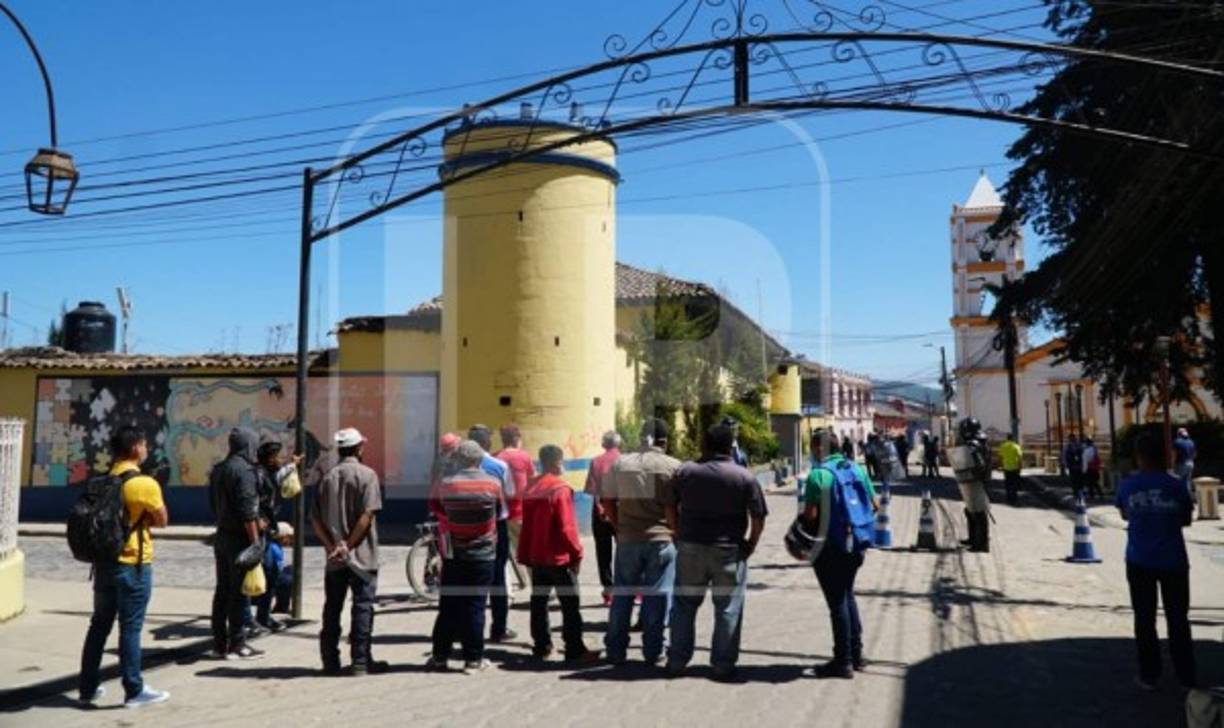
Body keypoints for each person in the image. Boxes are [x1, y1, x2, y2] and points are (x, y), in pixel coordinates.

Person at [77, 426, 171, 709]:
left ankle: (88, 687)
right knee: (130, 627)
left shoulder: (102, 481)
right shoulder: (144, 483)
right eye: (143, 444)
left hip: (104, 564)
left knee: (98, 626)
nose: (146, 448)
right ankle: (134, 689)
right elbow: (162, 519)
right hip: (133, 563)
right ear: (134, 448)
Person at [666, 424, 768, 680]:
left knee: (683, 605)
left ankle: (677, 661)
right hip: (729, 550)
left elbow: (669, 505)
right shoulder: (744, 477)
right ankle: (722, 665)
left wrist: (677, 532)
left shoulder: (686, 472)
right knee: (728, 608)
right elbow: (758, 516)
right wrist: (751, 544)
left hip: (690, 547)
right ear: (730, 446)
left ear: (704, 445)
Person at [1115, 432, 1197, 690]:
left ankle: (1149, 674)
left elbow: (1125, 514)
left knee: (1144, 619)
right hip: (1173, 559)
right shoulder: (1176, 484)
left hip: (1139, 560)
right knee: (1178, 619)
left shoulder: (1128, 485)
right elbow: (1186, 518)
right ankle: (1185, 676)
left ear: (1139, 458)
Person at [603, 418, 681, 666]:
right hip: (660, 539)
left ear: (641, 438)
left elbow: (606, 501)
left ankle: (616, 650)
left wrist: (618, 526)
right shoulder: (673, 467)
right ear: (665, 441)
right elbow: (672, 507)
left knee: (622, 596)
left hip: (627, 539)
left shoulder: (620, 464)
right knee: (657, 598)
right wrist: (675, 531)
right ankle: (654, 650)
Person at [803, 430, 878, 679]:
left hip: (830, 547)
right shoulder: (857, 470)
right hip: (856, 544)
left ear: (818, 449)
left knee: (837, 602)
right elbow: (875, 504)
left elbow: (811, 516)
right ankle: (856, 655)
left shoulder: (818, 475)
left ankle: (843, 661)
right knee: (848, 596)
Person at [311, 427, 386, 676]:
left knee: (333, 607)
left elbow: (315, 519)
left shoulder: (327, 477)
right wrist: (348, 545)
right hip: (362, 556)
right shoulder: (367, 476)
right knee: (362, 606)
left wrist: (332, 547)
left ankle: (329, 661)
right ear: (358, 448)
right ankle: (360, 661)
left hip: (335, 560)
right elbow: (367, 516)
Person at [427, 440, 505, 673]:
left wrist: (453, 518)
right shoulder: (493, 483)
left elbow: (435, 506)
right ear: (479, 459)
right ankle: (473, 659)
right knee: (476, 606)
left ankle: (440, 655)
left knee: (448, 605)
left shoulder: (447, 484)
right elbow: (500, 511)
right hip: (483, 554)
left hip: (454, 553)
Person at [518, 445, 600, 662]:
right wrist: (577, 553)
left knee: (539, 602)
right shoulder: (559, 489)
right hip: (559, 558)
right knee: (570, 604)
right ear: (557, 463)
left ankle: (542, 646)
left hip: (537, 556)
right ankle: (575, 649)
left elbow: (526, 525)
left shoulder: (531, 487)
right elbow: (566, 528)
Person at [208, 427, 265, 661]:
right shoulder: (244, 471)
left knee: (222, 591)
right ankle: (238, 644)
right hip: (239, 539)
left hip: (221, 535)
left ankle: (219, 644)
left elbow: (213, 503)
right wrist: (255, 543)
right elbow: (248, 511)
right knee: (239, 593)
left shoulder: (219, 470)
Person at [468, 424, 517, 642]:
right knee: (498, 579)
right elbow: (510, 492)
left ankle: (468, 629)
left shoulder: (455, 468)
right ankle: (499, 629)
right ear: (487, 443)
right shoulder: (499, 466)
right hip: (496, 527)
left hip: (465, 527)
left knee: (468, 580)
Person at [584, 430, 622, 606]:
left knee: (603, 554)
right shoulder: (625, 461)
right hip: (622, 514)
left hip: (600, 513)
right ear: (619, 444)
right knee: (626, 552)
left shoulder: (595, 462)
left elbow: (591, 490)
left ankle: (609, 593)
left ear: (603, 444)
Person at [998, 434, 1023, 506]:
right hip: (1015, 468)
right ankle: (1014, 498)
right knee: (1014, 483)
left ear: (1007, 438)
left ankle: (1008, 498)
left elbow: (1000, 457)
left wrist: (1000, 466)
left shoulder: (1003, 446)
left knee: (1008, 483)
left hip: (1006, 468)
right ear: (1013, 438)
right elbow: (1020, 457)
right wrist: (1020, 466)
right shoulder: (1016, 446)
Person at [1173, 427, 1196, 496]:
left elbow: (1174, 454)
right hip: (1190, 463)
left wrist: (1172, 464)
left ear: (1178, 434)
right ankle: (1188, 497)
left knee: (1178, 481)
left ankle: (1179, 498)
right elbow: (1194, 454)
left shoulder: (1176, 442)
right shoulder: (1191, 442)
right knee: (1187, 481)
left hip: (1181, 463)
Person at [1063, 434, 1083, 498]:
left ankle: (1076, 492)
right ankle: (1079, 492)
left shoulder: (1067, 446)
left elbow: (1064, 456)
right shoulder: (1079, 445)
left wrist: (1065, 465)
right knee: (1079, 480)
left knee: (1074, 480)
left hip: (1072, 466)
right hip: (1079, 466)